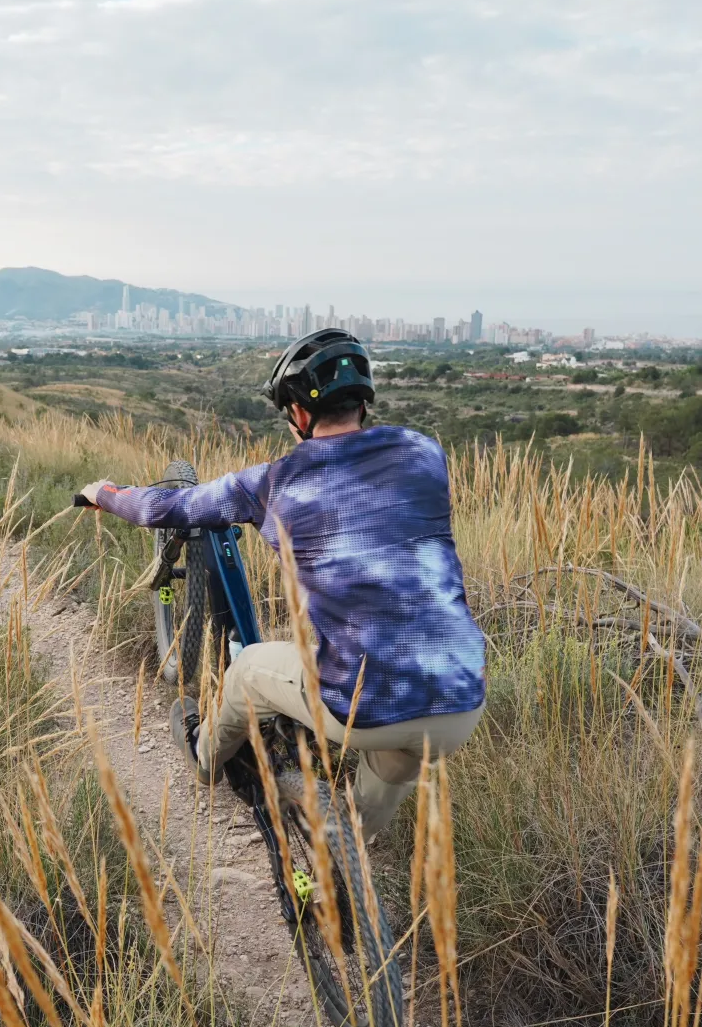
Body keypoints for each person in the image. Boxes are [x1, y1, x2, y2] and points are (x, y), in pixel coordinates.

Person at [80, 329, 486, 839]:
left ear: (297, 413)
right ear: (363, 401)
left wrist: (105, 492)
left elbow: (164, 507)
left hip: (359, 705)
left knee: (249, 668)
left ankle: (203, 758)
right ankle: (347, 856)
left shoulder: (274, 482)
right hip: (462, 697)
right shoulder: (425, 453)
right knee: (396, 755)